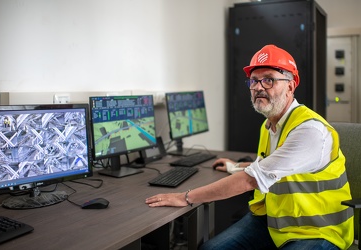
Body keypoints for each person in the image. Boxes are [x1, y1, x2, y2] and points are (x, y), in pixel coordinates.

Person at [145, 44, 354, 249]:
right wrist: (234, 166)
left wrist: (185, 197)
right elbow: (268, 166)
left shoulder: (310, 132)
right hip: (274, 223)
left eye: (269, 80)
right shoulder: (269, 124)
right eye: (254, 81)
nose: (258, 87)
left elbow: (252, 179)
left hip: (318, 231)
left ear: (291, 85)